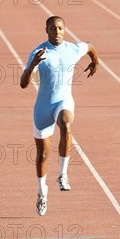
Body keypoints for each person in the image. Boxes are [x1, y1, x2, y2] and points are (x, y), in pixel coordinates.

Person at [20, 16, 98, 216]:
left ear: (65, 30)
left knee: (66, 124)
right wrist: (32, 65)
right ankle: (41, 192)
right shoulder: (39, 53)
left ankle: (63, 174)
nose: (57, 32)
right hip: (43, 109)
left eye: (60, 28)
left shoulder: (72, 49)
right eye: (53, 28)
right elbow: (23, 83)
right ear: (46, 30)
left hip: (63, 102)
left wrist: (95, 62)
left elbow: (90, 46)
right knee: (43, 156)